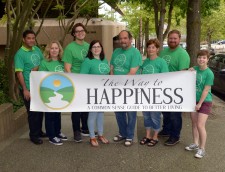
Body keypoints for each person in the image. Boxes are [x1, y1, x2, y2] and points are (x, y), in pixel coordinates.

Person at [110, 30, 142, 146]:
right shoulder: (116, 51)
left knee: (130, 113)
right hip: (116, 88)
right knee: (119, 112)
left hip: (130, 88)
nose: (122, 41)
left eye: (125, 38)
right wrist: (113, 79)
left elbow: (132, 72)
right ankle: (122, 133)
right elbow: (112, 66)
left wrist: (119, 83)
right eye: (121, 38)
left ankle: (130, 135)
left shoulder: (135, 53)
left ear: (130, 39)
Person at [159, 29, 190, 146]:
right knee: (165, 112)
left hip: (176, 90)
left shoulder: (183, 54)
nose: (172, 40)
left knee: (174, 114)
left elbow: (182, 74)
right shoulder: (163, 52)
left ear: (179, 39)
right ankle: (166, 130)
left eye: (175, 38)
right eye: (170, 38)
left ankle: (175, 136)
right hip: (163, 88)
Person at [14, 30, 45, 145]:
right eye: (29, 38)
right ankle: (33, 135)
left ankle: (39, 131)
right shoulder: (20, 54)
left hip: (39, 86)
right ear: (23, 39)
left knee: (40, 111)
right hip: (29, 88)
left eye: (33, 38)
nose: (31, 40)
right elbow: (19, 73)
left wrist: (37, 67)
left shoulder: (37, 49)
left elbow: (43, 62)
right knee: (33, 113)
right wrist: (25, 89)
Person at [62, 23, 90, 142]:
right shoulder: (70, 47)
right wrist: (72, 82)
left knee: (86, 106)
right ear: (74, 34)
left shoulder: (89, 46)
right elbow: (67, 67)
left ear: (85, 31)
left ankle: (85, 128)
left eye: (82, 30)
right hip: (76, 81)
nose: (80, 33)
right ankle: (76, 131)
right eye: (77, 31)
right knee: (77, 107)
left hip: (88, 80)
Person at [139, 39, 169, 146]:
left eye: (153, 47)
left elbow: (165, 78)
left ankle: (155, 136)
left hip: (156, 95)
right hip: (145, 94)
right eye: (149, 47)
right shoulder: (145, 62)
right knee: (146, 115)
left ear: (157, 49)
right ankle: (147, 135)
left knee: (155, 116)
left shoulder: (161, 62)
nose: (150, 49)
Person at [80, 40, 110, 147]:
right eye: (94, 47)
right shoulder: (87, 61)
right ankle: (92, 136)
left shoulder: (104, 60)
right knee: (93, 114)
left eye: (98, 46)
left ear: (101, 48)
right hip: (92, 92)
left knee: (101, 114)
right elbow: (82, 78)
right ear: (90, 49)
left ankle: (100, 135)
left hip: (103, 92)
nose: (96, 49)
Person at [185, 50, 214, 158]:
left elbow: (206, 90)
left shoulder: (209, 73)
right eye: (199, 57)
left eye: (204, 58)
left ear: (207, 59)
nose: (201, 60)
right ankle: (195, 143)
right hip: (193, 100)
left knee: (200, 125)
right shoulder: (194, 69)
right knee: (194, 123)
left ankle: (202, 148)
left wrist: (200, 104)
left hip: (205, 101)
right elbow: (186, 80)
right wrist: (189, 71)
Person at [39, 41, 68, 145]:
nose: (54, 50)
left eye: (56, 48)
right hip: (49, 92)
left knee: (57, 114)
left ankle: (57, 132)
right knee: (50, 115)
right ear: (48, 50)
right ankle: (52, 136)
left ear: (59, 50)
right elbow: (40, 78)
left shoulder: (62, 62)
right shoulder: (44, 63)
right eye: (52, 48)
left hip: (60, 93)